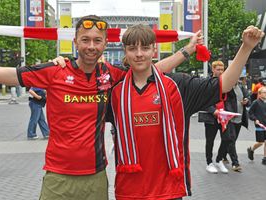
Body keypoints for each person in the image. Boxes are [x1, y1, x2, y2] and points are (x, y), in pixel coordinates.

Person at [0, 15, 203, 199]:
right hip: (58, 176)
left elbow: (150, 67)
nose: (91, 46)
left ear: (105, 44)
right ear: (75, 41)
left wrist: (187, 50)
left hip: (96, 176)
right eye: (85, 40)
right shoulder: (54, 71)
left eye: (97, 41)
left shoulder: (112, 75)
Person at [109, 24, 263, 199]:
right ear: (125, 51)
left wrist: (246, 47)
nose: (138, 53)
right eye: (132, 48)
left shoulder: (179, 86)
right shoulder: (114, 91)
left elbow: (225, 84)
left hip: (169, 190)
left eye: (145, 48)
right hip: (129, 190)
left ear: (154, 50)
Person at [247, 86, 266, 165]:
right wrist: (255, 119)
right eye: (264, 92)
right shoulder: (256, 102)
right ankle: (251, 149)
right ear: (260, 93)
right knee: (261, 142)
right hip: (259, 125)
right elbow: (250, 113)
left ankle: (265, 158)